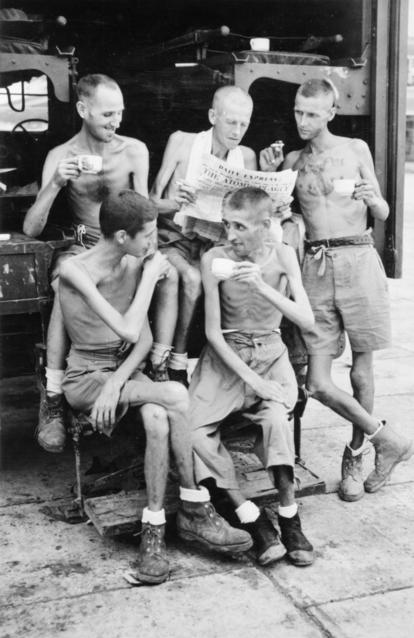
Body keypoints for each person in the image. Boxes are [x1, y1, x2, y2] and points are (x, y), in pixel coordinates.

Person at [58, 189, 253, 585]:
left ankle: (155, 530)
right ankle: (195, 506)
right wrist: (150, 276)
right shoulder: (74, 270)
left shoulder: (132, 263)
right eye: (148, 235)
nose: (155, 242)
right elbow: (127, 328)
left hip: (123, 374)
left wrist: (116, 383)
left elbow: (142, 340)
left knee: (160, 419)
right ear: (121, 237)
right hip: (84, 377)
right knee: (177, 394)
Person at [262, 77, 413, 502]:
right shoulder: (292, 160)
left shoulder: (355, 150)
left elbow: (382, 210)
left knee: (362, 371)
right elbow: (277, 211)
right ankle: (388, 438)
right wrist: (270, 169)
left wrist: (372, 197)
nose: (303, 120)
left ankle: (356, 452)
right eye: (298, 111)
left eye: (312, 113)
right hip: (316, 264)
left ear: (332, 112)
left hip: (360, 258)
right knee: (318, 381)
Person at [188, 187, 315, 567]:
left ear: (265, 225)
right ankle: (250, 516)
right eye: (227, 223)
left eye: (240, 226)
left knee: (276, 418)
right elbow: (213, 333)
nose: (231, 234)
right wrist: (253, 382)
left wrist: (261, 284)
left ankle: (289, 516)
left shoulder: (283, 255)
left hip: (270, 351)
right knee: (191, 432)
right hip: (226, 355)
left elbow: (306, 320)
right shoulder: (214, 258)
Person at [23, 73, 149, 453]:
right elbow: (32, 229)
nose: (116, 122)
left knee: (168, 276)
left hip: (126, 245)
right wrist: (55, 184)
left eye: (120, 113)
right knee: (65, 281)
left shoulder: (134, 150)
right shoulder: (60, 156)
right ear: (83, 109)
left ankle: (157, 365)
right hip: (82, 247)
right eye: (108, 113)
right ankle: (54, 393)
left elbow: (145, 213)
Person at [149, 86, 275, 385]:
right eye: (231, 122)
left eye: (244, 123)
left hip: (215, 244)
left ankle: (240, 359)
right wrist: (178, 202)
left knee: (250, 276)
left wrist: (268, 176)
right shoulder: (181, 143)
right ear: (212, 116)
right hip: (174, 240)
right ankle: (176, 360)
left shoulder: (245, 156)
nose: (238, 130)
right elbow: (152, 202)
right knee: (191, 279)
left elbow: (250, 214)